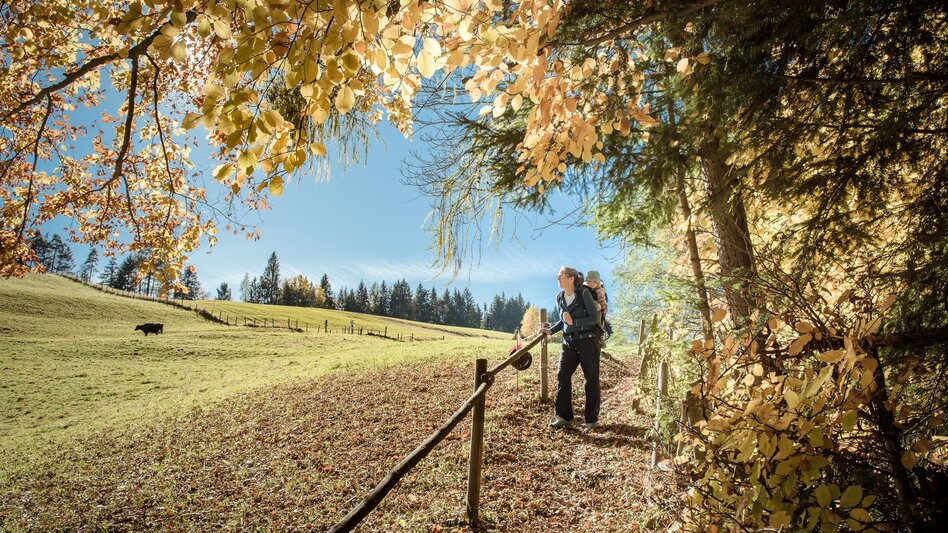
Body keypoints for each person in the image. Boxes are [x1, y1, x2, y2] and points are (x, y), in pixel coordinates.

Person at [540, 266, 602, 430]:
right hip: (569, 342)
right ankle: (563, 417)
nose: (557, 278)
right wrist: (551, 330)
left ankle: (591, 420)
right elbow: (564, 320)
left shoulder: (583, 293)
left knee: (591, 378)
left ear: (571, 278)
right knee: (562, 375)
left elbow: (594, 318)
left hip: (588, 340)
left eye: (560, 275)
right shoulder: (560, 297)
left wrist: (575, 322)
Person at [583, 270, 614, 345]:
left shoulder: (599, 290)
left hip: (597, 309)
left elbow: (602, 300)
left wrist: (602, 307)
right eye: (589, 281)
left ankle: (601, 334)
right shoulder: (583, 289)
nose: (591, 283)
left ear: (597, 283)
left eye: (594, 282)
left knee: (598, 310)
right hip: (585, 308)